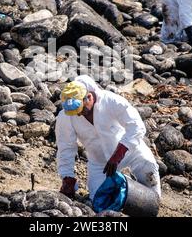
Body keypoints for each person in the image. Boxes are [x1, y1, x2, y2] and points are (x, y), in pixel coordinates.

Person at [55, 75, 161, 203]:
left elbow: (136, 126)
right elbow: (65, 147)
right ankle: (123, 187)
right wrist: (68, 177)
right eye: (75, 112)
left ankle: (148, 196)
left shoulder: (111, 101)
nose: (78, 114)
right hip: (100, 164)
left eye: (81, 109)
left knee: (149, 178)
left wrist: (118, 154)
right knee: (98, 201)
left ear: (89, 97)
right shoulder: (66, 116)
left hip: (130, 152)